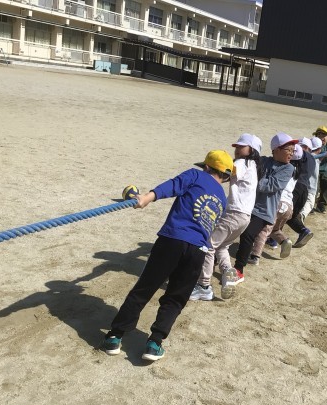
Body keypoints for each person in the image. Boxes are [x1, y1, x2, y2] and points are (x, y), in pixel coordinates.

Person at [103, 150, 234, 361]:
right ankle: (154, 343)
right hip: (198, 251)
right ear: (226, 176)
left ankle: (115, 336)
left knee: (145, 287)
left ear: (207, 167)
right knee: (176, 297)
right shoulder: (222, 198)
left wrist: (147, 197)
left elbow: (172, 185)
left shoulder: (195, 175)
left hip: (172, 239)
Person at [190, 134, 262, 301]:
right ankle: (228, 274)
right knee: (222, 246)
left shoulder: (243, 163)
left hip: (233, 213)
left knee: (209, 245)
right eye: (236, 146)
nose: (237, 149)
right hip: (245, 217)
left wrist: (209, 171)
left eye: (241, 146)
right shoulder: (254, 167)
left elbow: (225, 173)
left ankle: (203, 286)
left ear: (252, 150)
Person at [231, 133, 296, 285]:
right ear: (276, 149)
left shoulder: (288, 168)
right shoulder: (263, 161)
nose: (292, 153)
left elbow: (270, 186)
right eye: (289, 149)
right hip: (247, 205)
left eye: (293, 150)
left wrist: (251, 178)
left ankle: (239, 270)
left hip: (264, 211)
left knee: (247, 234)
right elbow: (245, 165)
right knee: (229, 230)